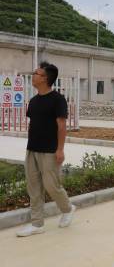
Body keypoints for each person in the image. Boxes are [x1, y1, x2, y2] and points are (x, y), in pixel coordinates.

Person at [17, 62, 76, 237]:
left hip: (50, 150)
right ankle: (37, 224)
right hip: (32, 149)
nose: (33, 76)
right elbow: (33, 124)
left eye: (36, 73)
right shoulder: (33, 101)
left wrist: (60, 149)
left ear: (45, 78)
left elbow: (61, 126)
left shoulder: (58, 99)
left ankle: (67, 209)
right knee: (33, 187)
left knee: (52, 186)